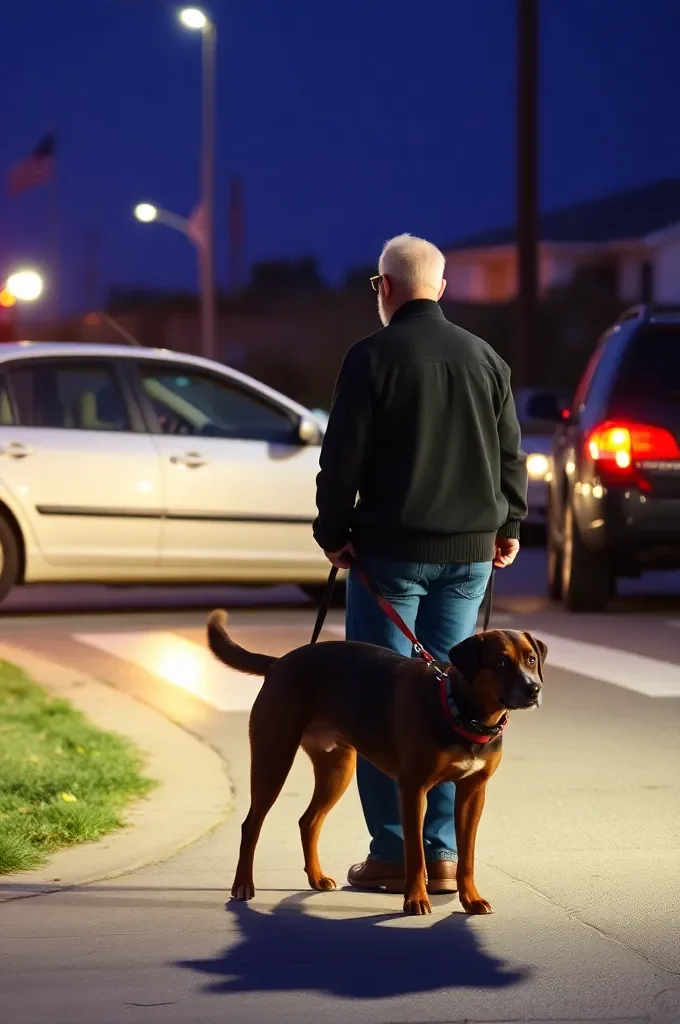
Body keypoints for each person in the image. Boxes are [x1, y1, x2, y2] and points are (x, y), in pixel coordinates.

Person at [313, 233, 528, 895]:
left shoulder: (371, 357)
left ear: (386, 287)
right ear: (441, 287)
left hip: (388, 557)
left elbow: (341, 456)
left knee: (382, 705)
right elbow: (509, 453)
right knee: (453, 704)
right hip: (469, 557)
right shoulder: (485, 357)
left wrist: (333, 530)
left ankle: (391, 851)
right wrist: (509, 524)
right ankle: (439, 856)